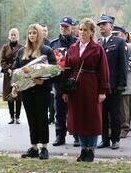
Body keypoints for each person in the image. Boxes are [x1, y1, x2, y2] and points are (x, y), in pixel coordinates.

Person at [62, 18, 109, 162]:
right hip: (75, 89)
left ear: (91, 32)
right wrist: (64, 90)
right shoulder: (72, 48)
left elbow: (104, 70)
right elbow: (67, 70)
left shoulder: (97, 48)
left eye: (85, 30)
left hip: (91, 86)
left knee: (92, 118)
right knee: (79, 118)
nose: (82, 32)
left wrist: (103, 90)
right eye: (81, 29)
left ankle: (91, 150)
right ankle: (83, 149)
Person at [12, 24, 56, 160]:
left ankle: (44, 148)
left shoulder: (46, 50)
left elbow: (54, 70)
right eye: (30, 33)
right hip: (27, 91)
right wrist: (15, 84)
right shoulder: (21, 52)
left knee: (42, 118)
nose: (32, 35)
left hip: (42, 91)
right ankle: (34, 147)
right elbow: (15, 69)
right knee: (31, 119)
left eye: (34, 33)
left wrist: (43, 80)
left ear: (40, 34)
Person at [96, 14, 127, 149]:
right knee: (102, 114)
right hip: (101, 86)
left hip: (114, 85)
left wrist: (122, 84)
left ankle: (115, 139)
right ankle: (105, 139)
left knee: (114, 115)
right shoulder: (98, 43)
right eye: (100, 25)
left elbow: (123, 65)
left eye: (104, 24)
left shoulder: (119, 42)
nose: (102, 27)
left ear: (111, 26)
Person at [50, 16, 79, 147]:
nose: (64, 29)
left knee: (75, 110)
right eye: (62, 26)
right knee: (59, 111)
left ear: (72, 28)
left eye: (66, 27)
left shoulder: (77, 42)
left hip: (74, 80)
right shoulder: (53, 43)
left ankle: (77, 136)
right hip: (59, 81)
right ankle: (59, 136)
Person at [112, 26, 131, 138]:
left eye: (117, 34)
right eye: (113, 34)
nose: (114, 36)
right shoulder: (111, 45)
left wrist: (121, 66)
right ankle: (112, 128)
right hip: (113, 81)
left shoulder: (129, 47)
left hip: (125, 80)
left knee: (123, 107)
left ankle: (124, 127)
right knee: (112, 107)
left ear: (124, 34)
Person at [0, 28, 23, 124]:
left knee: (18, 96)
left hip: (18, 74)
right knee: (10, 95)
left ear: (18, 36)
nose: (13, 36)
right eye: (12, 35)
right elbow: (2, 60)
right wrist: (8, 69)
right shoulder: (5, 47)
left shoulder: (22, 47)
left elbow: (23, 60)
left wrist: (17, 70)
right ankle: (11, 117)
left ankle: (17, 117)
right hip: (8, 74)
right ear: (9, 36)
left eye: (15, 35)